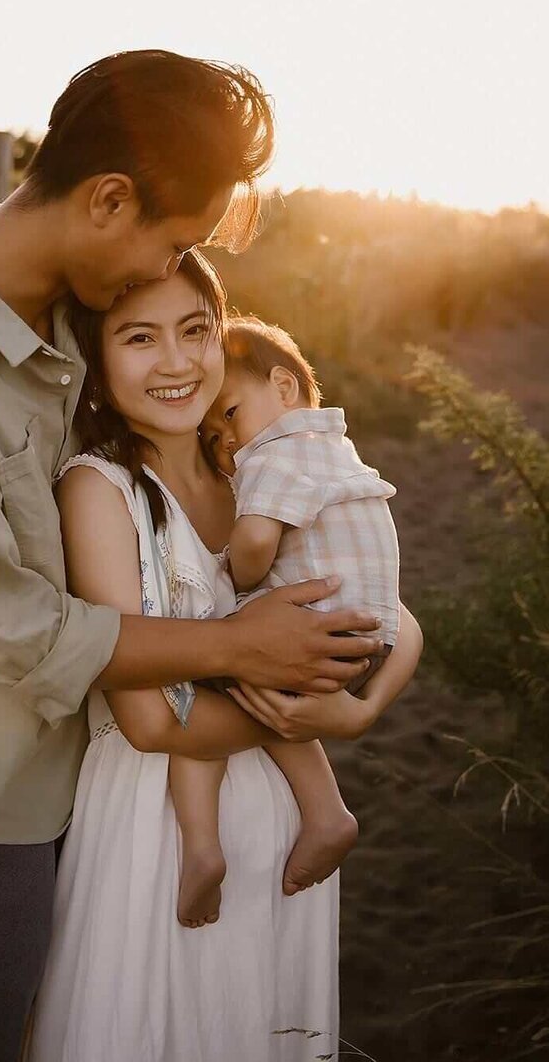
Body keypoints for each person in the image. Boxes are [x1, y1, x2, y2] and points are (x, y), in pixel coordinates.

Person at [0, 50, 382, 1062]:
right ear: (109, 199)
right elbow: (14, 635)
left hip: (86, 780)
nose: (166, 271)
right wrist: (241, 644)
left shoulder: (65, 309)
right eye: (175, 240)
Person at [27, 256, 422, 1061]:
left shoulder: (252, 466)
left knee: (254, 1024)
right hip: (156, 828)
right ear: (96, 363)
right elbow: (146, 719)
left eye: (196, 331)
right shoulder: (100, 491)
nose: (176, 362)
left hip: (277, 830)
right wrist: (294, 699)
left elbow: (395, 614)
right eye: (140, 338)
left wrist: (360, 709)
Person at [162, 314, 401, 926]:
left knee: (194, 690)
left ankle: (202, 848)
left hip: (315, 629)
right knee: (274, 707)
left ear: (285, 389)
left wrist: (233, 575)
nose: (229, 443)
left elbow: (256, 545)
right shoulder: (338, 452)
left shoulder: (275, 455)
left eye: (231, 415)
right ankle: (326, 813)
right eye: (213, 437)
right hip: (371, 636)